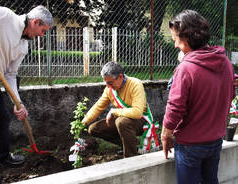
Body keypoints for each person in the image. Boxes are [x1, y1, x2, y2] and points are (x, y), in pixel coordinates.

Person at [161, 10, 235, 184]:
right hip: (215, 141)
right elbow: (230, 95)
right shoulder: (225, 63)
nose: (175, 45)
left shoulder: (186, 68)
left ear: (186, 38)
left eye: (175, 40)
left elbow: (175, 107)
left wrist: (165, 135)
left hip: (190, 145)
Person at [0, 5, 53, 184]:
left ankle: (2, 157)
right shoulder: (6, 17)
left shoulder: (23, 45)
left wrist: (19, 103)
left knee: (3, 119)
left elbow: (9, 74)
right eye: (42, 30)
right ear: (35, 22)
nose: (42, 35)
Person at [82, 61, 159, 158]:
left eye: (110, 83)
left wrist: (114, 111)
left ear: (121, 77)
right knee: (94, 129)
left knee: (121, 122)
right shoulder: (109, 89)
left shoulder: (135, 84)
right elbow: (98, 106)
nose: (108, 86)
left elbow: (137, 112)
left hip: (142, 121)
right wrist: (83, 123)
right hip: (124, 119)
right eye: (106, 83)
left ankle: (130, 156)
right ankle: (130, 145)